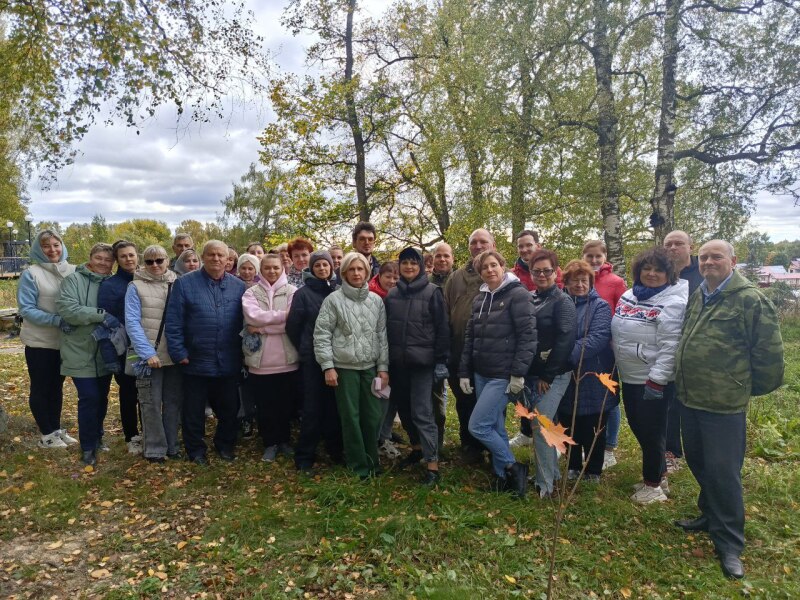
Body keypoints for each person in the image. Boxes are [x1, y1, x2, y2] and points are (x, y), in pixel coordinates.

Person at [674, 240, 784, 580]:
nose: (708, 262)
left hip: (724, 404)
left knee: (723, 472)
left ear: (732, 261)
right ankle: (709, 514)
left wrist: (741, 388)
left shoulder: (749, 299)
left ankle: (730, 542)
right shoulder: (700, 293)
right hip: (690, 398)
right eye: (704, 257)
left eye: (716, 256)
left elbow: (769, 356)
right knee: (696, 458)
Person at [611, 247, 688, 504]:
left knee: (652, 432)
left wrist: (657, 379)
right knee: (637, 426)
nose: (652, 274)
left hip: (653, 379)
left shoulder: (673, 302)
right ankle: (660, 475)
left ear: (669, 274)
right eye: (647, 268)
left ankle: (653, 486)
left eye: (659, 270)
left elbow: (671, 346)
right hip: (630, 375)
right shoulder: (629, 295)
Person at [459, 250, 536, 498]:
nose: (490, 270)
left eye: (494, 265)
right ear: (480, 273)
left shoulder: (518, 295)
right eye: (485, 268)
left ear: (503, 267)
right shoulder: (480, 298)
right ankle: (503, 477)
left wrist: (518, 374)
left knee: (478, 426)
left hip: (502, 374)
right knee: (495, 426)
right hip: (482, 371)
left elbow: (527, 336)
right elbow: (471, 337)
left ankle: (514, 466)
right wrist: (464, 372)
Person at [165, 240, 246, 465]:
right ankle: (196, 450)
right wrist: (178, 352)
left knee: (229, 407)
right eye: (211, 255)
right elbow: (173, 322)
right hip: (195, 359)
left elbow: (244, 323)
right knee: (193, 410)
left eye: (221, 255)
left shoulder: (238, 286)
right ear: (203, 257)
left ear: (227, 259)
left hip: (228, 359)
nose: (216, 259)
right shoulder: (184, 284)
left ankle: (225, 444)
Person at [314, 252, 389, 480]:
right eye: (352, 270)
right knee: (351, 417)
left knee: (373, 416)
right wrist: (328, 366)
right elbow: (322, 334)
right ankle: (359, 466)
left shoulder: (376, 301)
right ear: (344, 273)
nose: (357, 273)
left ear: (367, 272)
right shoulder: (333, 301)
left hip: (370, 367)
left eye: (361, 269)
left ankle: (372, 460)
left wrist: (383, 367)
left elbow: (381, 335)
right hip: (344, 368)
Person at [385, 247, 450, 485]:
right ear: (399, 267)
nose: (409, 267)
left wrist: (441, 361)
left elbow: (443, 329)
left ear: (421, 266)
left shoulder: (433, 292)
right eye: (405, 263)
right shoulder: (392, 295)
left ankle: (432, 465)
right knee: (405, 410)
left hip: (423, 364)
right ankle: (416, 449)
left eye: (414, 263)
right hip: (398, 364)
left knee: (423, 412)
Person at [519, 249, 576, 498]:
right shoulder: (531, 298)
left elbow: (565, 341)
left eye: (547, 270)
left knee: (540, 424)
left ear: (556, 272)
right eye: (537, 271)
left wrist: (548, 376)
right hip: (533, 373)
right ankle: (550, 473)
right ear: (530, 273)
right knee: (543, 423)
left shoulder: (563, 302)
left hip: (554, 374)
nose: (542, 275)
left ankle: (546, 485)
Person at [56, 243, 116, 466]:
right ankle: (88, 446)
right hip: (79, 349)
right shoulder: (74, 280)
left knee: (101, 397)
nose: (102, 262)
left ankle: (98, 436)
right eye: (98, 258)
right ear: (90, 258)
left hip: (106, 351)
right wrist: (101, 315)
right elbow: (68, 309)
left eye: (107, 260)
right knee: (89, 397)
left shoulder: (112, 283)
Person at [557, 260, 616, 483]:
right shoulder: (561, 304)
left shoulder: (599, 306)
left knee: (593, 423)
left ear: (590, 282)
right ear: (567, 283)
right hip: (565, 375)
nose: (580, 285)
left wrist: (564, 354)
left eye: (584, 280)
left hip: (593, 372)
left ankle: (593, 470)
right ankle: (572, 464)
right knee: (568, 420)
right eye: (575, 280)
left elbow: (598, 337)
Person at [17, 229, 77, 449]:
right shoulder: (31, 274)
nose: (52, 250)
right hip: (40, 342)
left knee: (56, 387)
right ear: (38, 249)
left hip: (65, 342)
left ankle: (56, 429)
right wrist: (56, 320)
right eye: (46, 246)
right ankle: (46, 434)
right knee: (41, 388)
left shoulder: (73, 270)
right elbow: (27, 309)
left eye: (56, 244)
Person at [124, 245, 182, 462]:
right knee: (150, 404)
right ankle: (155, 449)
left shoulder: (177, 283)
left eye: (159, 260)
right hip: (149, 357)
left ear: (167, 260)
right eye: (150, 261)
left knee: (173, 403)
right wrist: (147, 352)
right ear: (143, 263)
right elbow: (132, 322)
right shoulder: (135, 287)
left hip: (174, 355)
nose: (155, 265)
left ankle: (172, 446)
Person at [287, 251, 343, 472]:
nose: (322, 269)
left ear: (331, 267)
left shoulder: (338, 291)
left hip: (335, 359)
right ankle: (305, 456)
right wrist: (304, 346)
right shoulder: (302, 294)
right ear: (312, 269)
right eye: (317, 265)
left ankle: (335, 450)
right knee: (312, 408)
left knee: (333, 407)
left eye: (325, 265)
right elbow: (293, 325)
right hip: (312, 359)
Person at [242, 254, 299, 462]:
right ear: (261, 270)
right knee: (265, 406)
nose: (272, 271)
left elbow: (293, 321)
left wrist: (263, 328)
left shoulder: (293, 291)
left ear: (282, 268)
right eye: (267, 268)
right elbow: (252, 316)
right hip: (260, 362)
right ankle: (269, 443)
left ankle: (284, 441)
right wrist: (282, 316)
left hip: (288, 360)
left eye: (275, 267)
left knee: (285, 405)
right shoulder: (251, 293)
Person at [444, 228, 495, 462]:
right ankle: (469, 446)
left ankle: (491, 445)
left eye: (483, 242)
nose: (478, 246)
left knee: (489, 402)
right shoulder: (455, 278)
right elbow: (445, 312)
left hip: (489, 354)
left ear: (492, 245)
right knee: (464, 402)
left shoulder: (499, 276)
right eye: (473, 242)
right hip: (458, 350)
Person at [581, 239, 626, 469]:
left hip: (606, 349)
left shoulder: (615, 282)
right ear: (584, 257)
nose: (595, 261)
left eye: (598, 256)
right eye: (590, 257)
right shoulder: (579, 279)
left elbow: (623, 313)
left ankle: (609, 446)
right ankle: (586, 443)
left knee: (609, 398)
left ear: (605, 257)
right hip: (583, 349)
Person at [662, 230, 704, 473]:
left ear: (691, 246)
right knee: (668, 400)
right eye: (669, 244)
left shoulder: (703, 271)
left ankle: (699, 449)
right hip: (668, 346)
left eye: (679, 243)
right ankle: (671, 451)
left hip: (697, 349)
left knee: (691, 401)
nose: (673, 248)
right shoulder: (661, 272)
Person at [97, 240, 142, 455]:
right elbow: (107, 318)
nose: (128, 259)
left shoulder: (145, 278)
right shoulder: (111, 285)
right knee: (128, 391)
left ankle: (149, 432)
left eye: (131, 255)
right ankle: (131, 435)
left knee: (148, 391)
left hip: (148, 344)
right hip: (125, 347)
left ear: (137, 256)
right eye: (123, 256)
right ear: (117, 259)